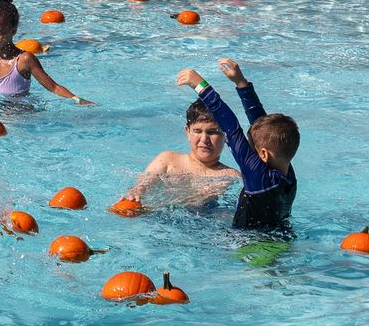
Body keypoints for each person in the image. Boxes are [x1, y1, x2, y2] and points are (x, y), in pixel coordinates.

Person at [176, 58, 299, 230]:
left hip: (251, 247)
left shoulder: (258, 176)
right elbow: (261, 125)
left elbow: (231, 128)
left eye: (251, 147)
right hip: (283, 234)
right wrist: (241, 83)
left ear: (263, 154)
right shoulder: (287, 170)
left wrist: (200, 85)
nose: (249, 149)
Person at [0, 0, 91, 103]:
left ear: (13, 31)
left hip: (22, 115)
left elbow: (53, 87)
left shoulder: (24, 60)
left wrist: (77, 99)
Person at [124, 98, 238, 208]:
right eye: (197, 131)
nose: (204, 139)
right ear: (187, 132)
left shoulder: (230, 176)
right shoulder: (168, 160)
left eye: (212, 132)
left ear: (226, 136)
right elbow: (145, 181)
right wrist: (137, 191)